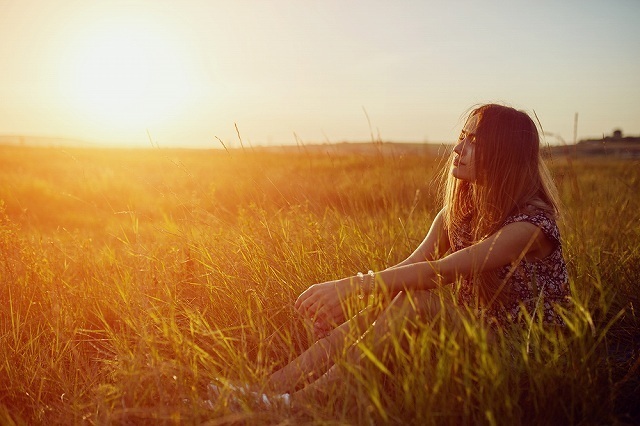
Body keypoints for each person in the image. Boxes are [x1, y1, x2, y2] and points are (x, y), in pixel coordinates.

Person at [212, 103, 570, 408]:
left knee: (415, 301)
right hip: (479, 338)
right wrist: (356, 302)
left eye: (474, 141)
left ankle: (301, 406)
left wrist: (353, 285)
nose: (458, 148)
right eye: (462, 136)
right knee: (392, 299)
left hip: (527, 356)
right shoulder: (456, 215)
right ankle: (262, 393)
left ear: (503, 154)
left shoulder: (530, 225)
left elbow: (438, 273)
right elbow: (410, 268)